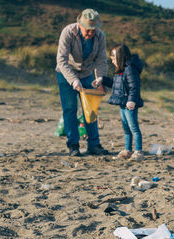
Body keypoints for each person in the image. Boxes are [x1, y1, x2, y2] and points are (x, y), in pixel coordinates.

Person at [55, 8, 109, 157]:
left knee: (91, 110)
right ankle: (73, 145)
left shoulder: (100, 36)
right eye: (88, 30)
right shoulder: (68, 32)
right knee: (70, 108)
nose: (91, 33)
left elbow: (101, 60)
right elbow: (61, 60)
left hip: (87, 74)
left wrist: (100, 79)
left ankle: (94, 145)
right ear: (80, 24)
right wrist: (73, 81)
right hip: (66, 74)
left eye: (94, 30)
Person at [99, 44, 145, 161]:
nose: (113, 61)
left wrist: (131, 100)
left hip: (129, 105)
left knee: (133, 127)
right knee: (126, 128)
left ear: (120, 57)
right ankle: (127, 150)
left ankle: (138, 151)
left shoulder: (129, 70)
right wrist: (102, 80)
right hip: (122, 104)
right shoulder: (120, 71)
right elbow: (115, 84)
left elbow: (134, 86)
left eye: (114, 59)